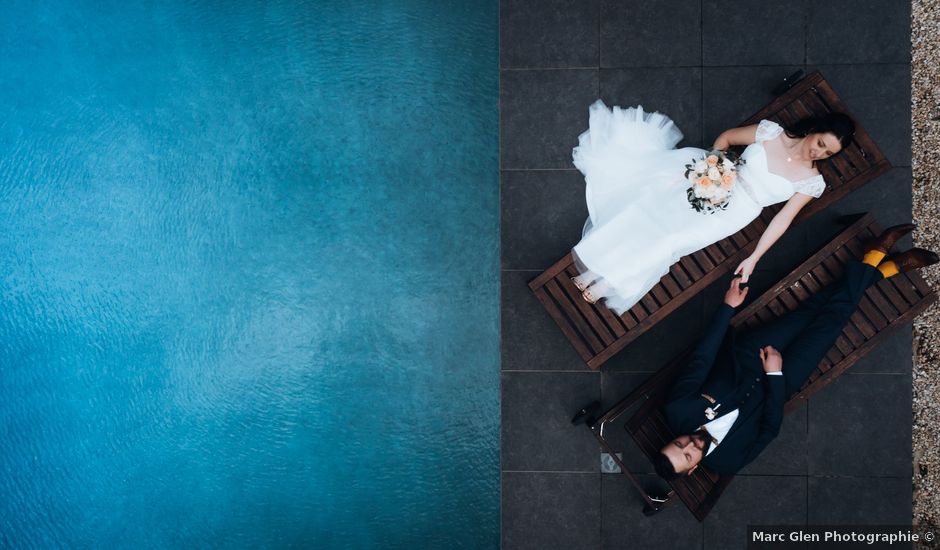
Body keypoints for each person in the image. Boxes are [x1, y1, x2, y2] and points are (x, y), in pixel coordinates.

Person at [651, 224, 938, 479]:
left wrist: (728, 307)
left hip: (750, 354)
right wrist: (775, 375)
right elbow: (769, 428)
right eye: (688, 455)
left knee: (811, 311)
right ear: (693, 469)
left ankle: (881, 265)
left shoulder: (678, 409)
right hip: (783, 379)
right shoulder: (727, 462)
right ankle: (875, 264)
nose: (690, 444)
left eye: (679, 443)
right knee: (829, 324)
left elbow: (703, 357)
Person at [569, 101, 856, 315]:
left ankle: (605, 283)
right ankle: (594, 263)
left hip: (736, 214)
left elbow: (782, 220)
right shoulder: (771, 133)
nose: (819, 152)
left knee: (672, 242)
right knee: (650, 216)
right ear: (815, 129)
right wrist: (716, 167)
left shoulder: (811, 182)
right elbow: (728, 138)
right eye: (821, 143)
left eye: (828, 153)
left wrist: (754, 257)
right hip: (714, 178)